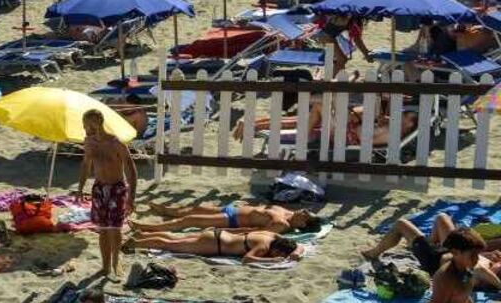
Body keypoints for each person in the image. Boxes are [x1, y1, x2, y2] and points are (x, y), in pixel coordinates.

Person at [75, 108, 135, 280]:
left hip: (117, 188)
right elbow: (86, 165)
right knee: (102, 229)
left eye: (86, 125)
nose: (85, 129)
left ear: (96, 124)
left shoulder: (116, 143)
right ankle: (105, 265)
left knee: (114, 229)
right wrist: (80, 188)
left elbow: (131, 169)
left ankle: (116, 262)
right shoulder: (89, 142)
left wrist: (131, 196)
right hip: (100, 188)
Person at [132, 203, 321, 235]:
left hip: (232, 220)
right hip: (234, 209)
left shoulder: (282, 224)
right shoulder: (286, 211)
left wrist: (226, 231)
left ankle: (148, 227)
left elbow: (255, 232)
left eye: (306, 214)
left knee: (191, 220)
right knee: (196, 209)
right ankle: (167, 210)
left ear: (303, 223)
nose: (304, 210)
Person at [125, 229, 304, 262]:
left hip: (218, 235)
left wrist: (297, 250)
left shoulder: (271, 236)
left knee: (177, 239)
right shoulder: (264, 247)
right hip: (214, 244)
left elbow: (300, 245)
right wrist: (271, 262)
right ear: (278, 250)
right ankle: (137, 243)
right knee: (172, 245)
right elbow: (247, 259)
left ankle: (144, 235)